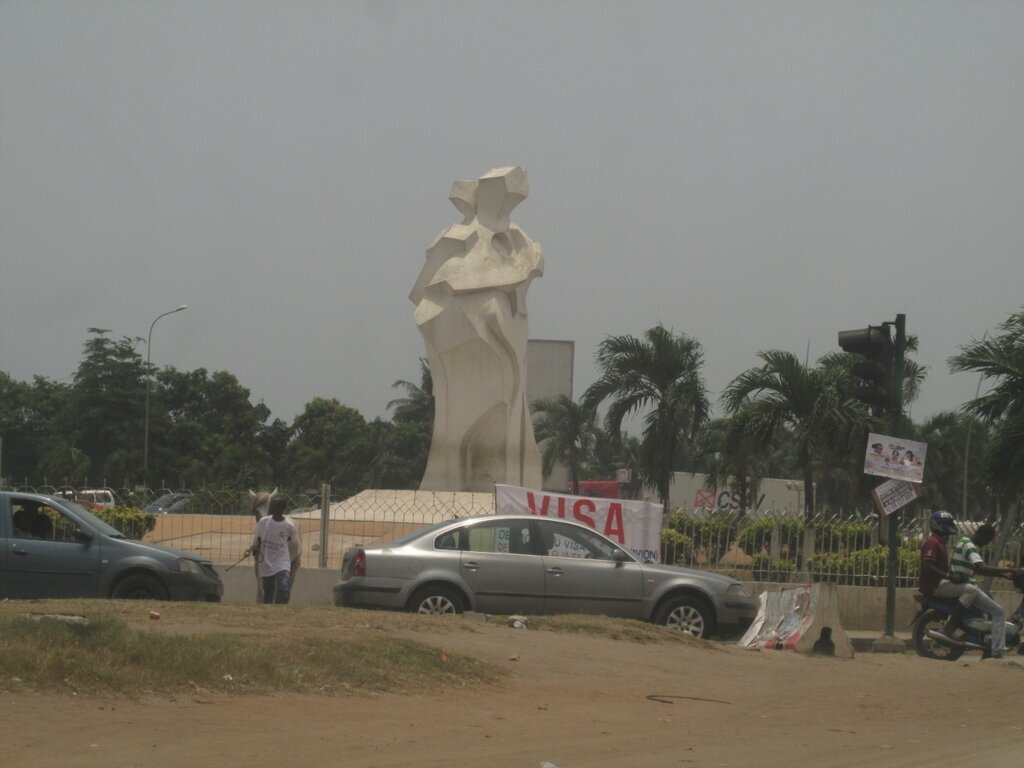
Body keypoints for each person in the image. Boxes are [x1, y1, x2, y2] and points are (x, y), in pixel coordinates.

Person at [947, 522, 1017, 658]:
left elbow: (979, 570)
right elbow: (981, 567)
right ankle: (997, 650)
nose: (986, 544)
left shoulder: (964, 542)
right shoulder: (969, 546)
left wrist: (1003, 575)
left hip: (964, 585)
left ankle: (988, 644)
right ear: (982, 535)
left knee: (990, 605)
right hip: (968, 587)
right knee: (999, 613)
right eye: (987, 540)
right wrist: (1008, 569)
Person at [251, 495, 298, 605]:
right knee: (268, 590)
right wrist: (255, 549)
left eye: (273, 506)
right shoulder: (263, 522)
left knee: (283, 587)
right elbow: (258, 539)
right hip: (266, 562)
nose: (270, 508)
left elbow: (292, 541)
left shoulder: (289, 525)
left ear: (281, 508)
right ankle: (270, 609)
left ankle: (281, 605)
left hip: (282, 561)